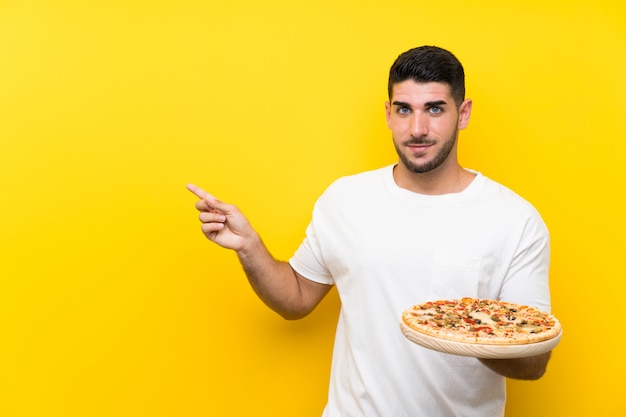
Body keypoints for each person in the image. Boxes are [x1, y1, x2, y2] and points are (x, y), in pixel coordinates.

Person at [187, 45, 553, 417]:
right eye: (404, 109)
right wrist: (249, 246)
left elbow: (534, 361)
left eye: (435, 109)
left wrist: (463, 328)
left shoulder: (514, 220)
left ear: (463, 114)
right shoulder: (345, 199)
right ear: (388, 114)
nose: (418, 129)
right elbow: (295, 298)